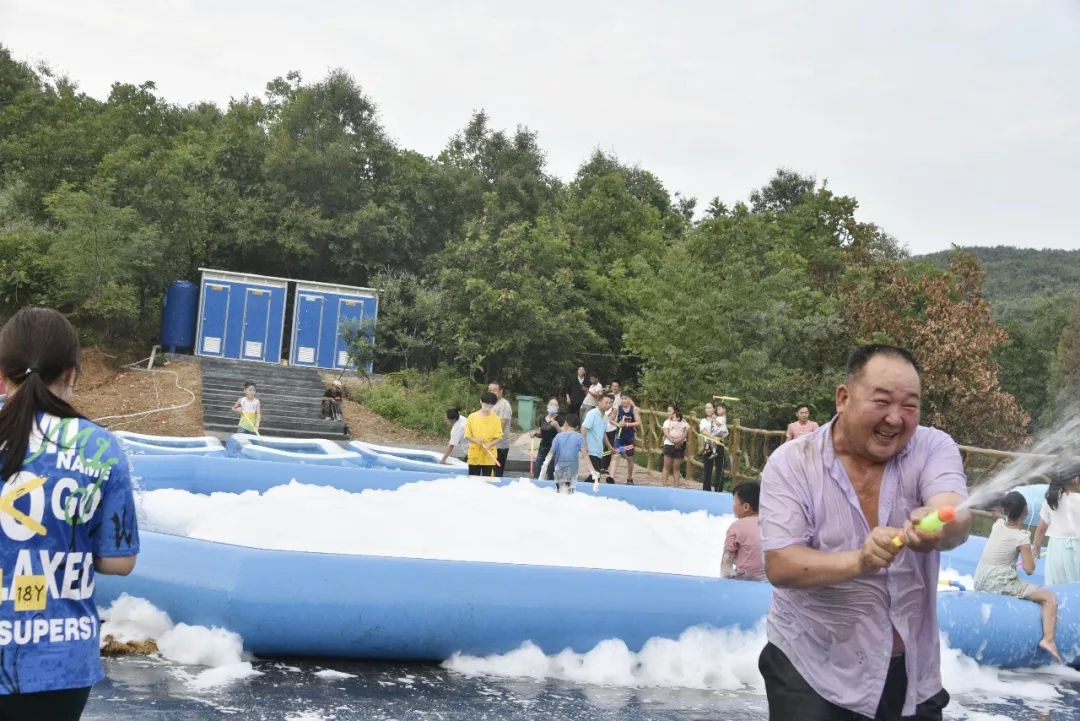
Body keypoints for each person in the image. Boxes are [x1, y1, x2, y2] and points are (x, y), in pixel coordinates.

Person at [758, 344, 971, 720]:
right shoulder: (792, 463)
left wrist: (938, 524)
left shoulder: (933, 446)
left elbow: (956, 514)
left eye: (910, 406)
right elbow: (781, 564)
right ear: (843, 398)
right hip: (811, 669)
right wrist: (860, 560)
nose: (895, 419)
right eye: (883, 402)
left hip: (910, 676)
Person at [0, 307, 139, 720]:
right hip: (60, 661)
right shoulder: (102, 449)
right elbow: (120, 560)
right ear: (74, 374)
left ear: (2, 375)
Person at [975, 491, 1060, 663]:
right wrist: (1031, 553)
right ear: (1026, 511)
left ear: (1004, 510)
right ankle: (1048, 639)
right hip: (999, 583)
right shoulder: (1021, 537)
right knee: (1050, 598)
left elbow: (998, 515)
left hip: (980, 579)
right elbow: (1029, 569)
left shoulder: (998, 524)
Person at [1033, 464, 1080, 586]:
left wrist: (1036, 549)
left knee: (1056, 586)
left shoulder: (1052, 500)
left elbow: (1041, 528)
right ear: (1077, 480)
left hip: (1057, 549)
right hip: (1077, 549)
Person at [722, 483, 767, 581]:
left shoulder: (736, 527)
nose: (733, 506)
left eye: (734, 502)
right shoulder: (771, 525)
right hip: (768, 581)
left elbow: (726, 563)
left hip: (744, 581)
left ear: (746, 507)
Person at [541, 414, 593, 494]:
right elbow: (585, 455)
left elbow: (550, 455)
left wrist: (542, 472)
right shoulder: (579, 437)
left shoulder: (558, 436)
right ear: (577, 427)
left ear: (565, 423)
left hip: (559, 470)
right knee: (570, 493)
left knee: (559, 492)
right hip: (572, 471)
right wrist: (592, 471)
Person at [463, 392, 503, 477]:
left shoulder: (496, 419)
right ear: (481, 401)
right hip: (475, 454)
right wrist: (476, 440)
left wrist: (490, 444)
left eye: (491, 407)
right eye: (486, 405)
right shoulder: (472, 417)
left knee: (487, 480)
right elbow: (467, 435)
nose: (487, 409)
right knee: (473, 479)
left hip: (489, 454)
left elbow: (499, 437)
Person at [581, 394, 614, 484]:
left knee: (595, 476)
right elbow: (584, 427)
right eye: (606, 402)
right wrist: (584, 445)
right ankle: (580, 490)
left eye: (610, 403)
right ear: (599, 402)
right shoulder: (592, 414)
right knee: (596, 475)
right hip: (591, 449)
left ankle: (582, 489)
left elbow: (603, 433)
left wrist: (610, 446)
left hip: (599, 451)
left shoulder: (605, 416)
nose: (608, 405)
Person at [610, 391, 640, 485]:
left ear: (629, 399)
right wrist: (618, 424)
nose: (623, 400)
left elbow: (638, 422)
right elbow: (611, 419)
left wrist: (627, 424)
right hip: (619, 436)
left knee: (629, 458)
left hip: (629, 437)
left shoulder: (634, 409)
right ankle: (611, 478)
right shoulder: (617, 408)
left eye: (625, 398)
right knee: (616, 455)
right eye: (622, 398)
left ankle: (629, 478)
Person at [698, 401, 729, 492]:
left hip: (719, 445)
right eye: (706, 408)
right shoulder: (703, 420)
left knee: (720, 469)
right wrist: (713, 438)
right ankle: (706, 490)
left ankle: (718, 491)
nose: (708, 409)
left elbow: (725, 432)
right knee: (707, 470)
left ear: (714, 409)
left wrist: (719, 438)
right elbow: (703, 431)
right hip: (708, 447)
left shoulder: (720, 419)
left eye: (710, 407)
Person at [531, 398, 562, 480]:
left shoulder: (560, 419)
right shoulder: (542, 418)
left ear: (558, 408)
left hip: (554, 448)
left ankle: (550, 487)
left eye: (555, 405)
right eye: (551, 404)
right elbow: (541, 433)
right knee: (537, 469)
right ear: (547, 406)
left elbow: (563, 435)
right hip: (543, 446)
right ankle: (536, 485)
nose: (553, 406)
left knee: (550, 471)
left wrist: (557, 426)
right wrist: (535, 434)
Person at [661, 405, 690, 488]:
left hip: (680, 445)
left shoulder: (684, 422)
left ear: (676, 413)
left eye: (670, 411)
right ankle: (664, 485)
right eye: (667, 411)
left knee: (676, 467)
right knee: (666, 466)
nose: (668, 413)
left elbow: (685, 433)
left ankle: (676, 486)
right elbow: (666, 433)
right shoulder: (667, 422)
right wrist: (674, 441)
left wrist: (679, 440)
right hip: (669, 445)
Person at [489, 382, 513, 478]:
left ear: (501, 391)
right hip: (489, 444)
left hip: (500, 445)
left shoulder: (504, 404)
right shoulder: (490, 404)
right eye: (490, 390)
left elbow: (501, 426)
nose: (491, 392)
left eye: (494, 390)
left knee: (497, 473)